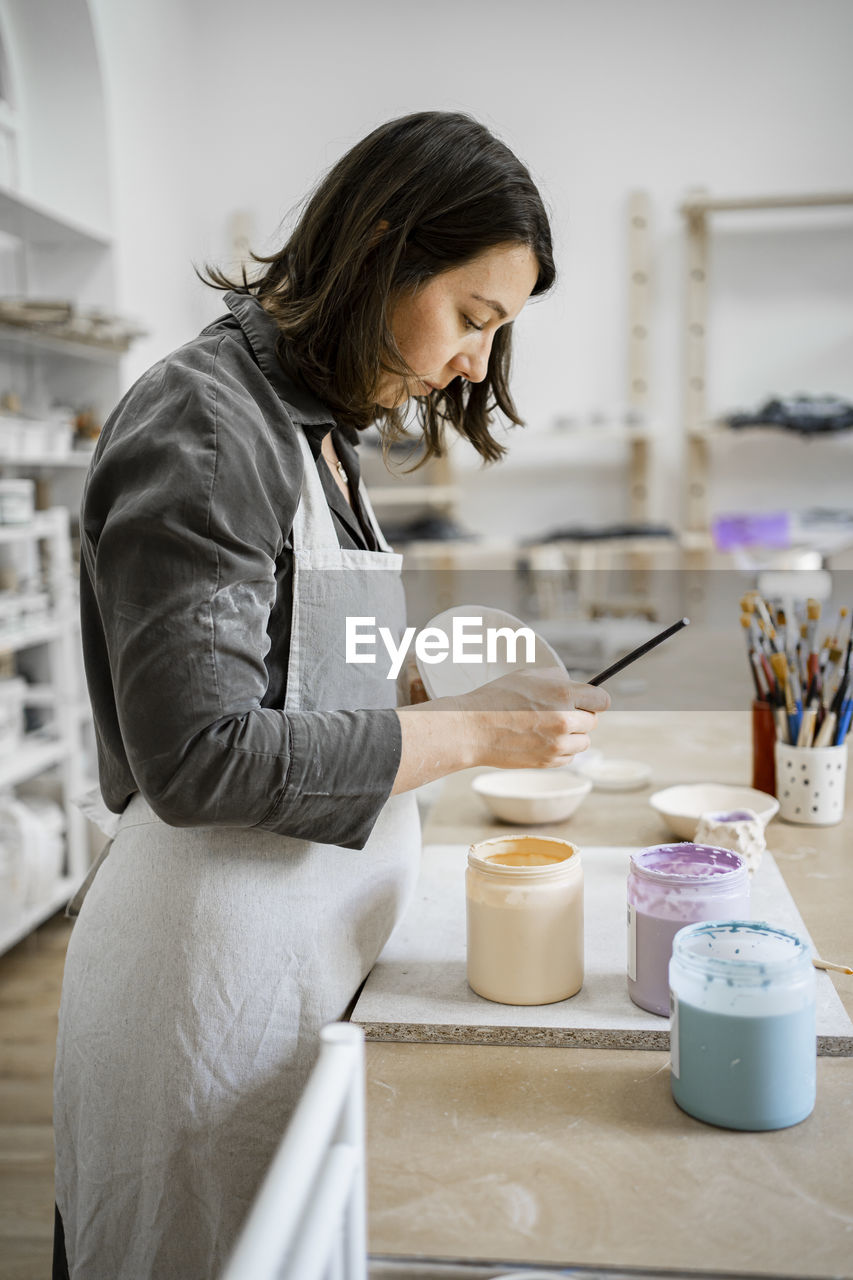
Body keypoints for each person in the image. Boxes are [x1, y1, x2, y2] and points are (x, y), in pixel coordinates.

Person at [53, 110, 610, 1279]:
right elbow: (199, 752)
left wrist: (429, 684)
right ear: (384, 246)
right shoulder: (209, 424)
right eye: (472, 318)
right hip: (206, 971)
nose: (472, 362)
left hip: (297, 949)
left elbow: (286, 670)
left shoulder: (319, 433)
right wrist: (472, 728)